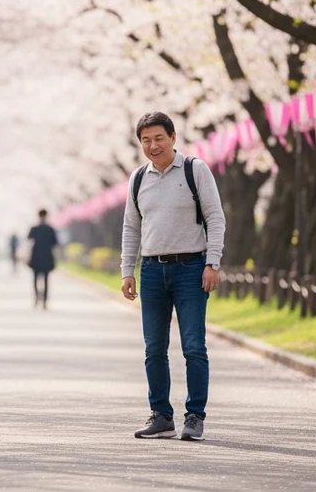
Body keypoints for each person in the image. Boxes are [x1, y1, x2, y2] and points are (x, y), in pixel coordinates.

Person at [121, 112, 225, 442]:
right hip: (151, 271)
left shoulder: (196, 170)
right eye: (146, 141)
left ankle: (195, 416)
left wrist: (213, 263)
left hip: (191, 270)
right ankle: (161, 416)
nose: (153, 146)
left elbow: (215, 218)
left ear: (173, 137)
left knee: (194, 346)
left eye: (159, 138)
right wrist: (128, 270)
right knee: (154, 349)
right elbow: (131, 228)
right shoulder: (138, 179)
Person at [27, 210, 59, 309]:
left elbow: (29, 242)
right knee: (46, 280)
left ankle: (37, 298)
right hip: (47, 257)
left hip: (36, 257)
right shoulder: (50, 229)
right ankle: (44, 301)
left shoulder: (34, 229)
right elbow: (55, 243)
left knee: (36, 279)